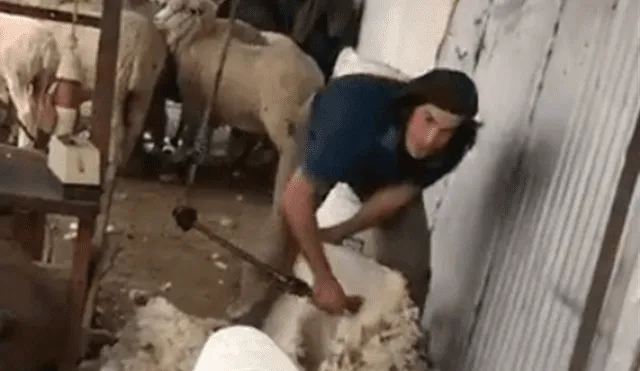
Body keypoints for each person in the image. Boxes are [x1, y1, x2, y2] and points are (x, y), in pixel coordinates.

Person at [276, 68, 481, 315]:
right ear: (411, 106)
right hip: (332, 132)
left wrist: (339, 231)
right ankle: (250, 325)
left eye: (446, 131)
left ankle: (392, 340)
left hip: (386, 164)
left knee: (411, 268)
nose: (430, 140)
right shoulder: (351, 118)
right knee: (281, 234)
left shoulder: (451, 146)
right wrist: (324, 278)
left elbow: (397, 195)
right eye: (428, 119)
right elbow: (296, 197)